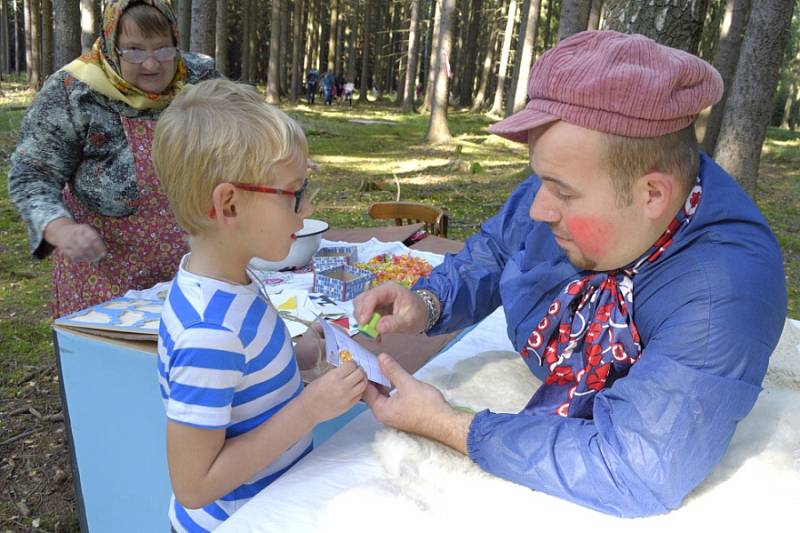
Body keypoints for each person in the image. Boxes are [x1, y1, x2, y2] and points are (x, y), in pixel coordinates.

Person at [354, 31, 787, 517]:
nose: (539, 207)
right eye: (540, 179)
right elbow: (496, 250)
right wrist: (428, 303)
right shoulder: (567, 189)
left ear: (652, 196)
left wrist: (451, 427)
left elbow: (635, 468)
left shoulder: (723, 294)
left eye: (562, 192)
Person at [152, 78, 368, 532]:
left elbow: (242, 385)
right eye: (293, 192)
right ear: (228, 205)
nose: (305, 207)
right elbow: (194, 484)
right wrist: (311, 409)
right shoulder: (209, 333)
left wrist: (300, 355)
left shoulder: (230, 281)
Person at [7, 0, 218, 319]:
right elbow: (31, 174)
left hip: (194, 271)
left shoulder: (199, 78)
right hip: (104, 280)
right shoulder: (74, 91)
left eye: (163, 49)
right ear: (110, 46)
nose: (151, 64)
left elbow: (248, 131)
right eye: (133, 50)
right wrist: (59, 228)